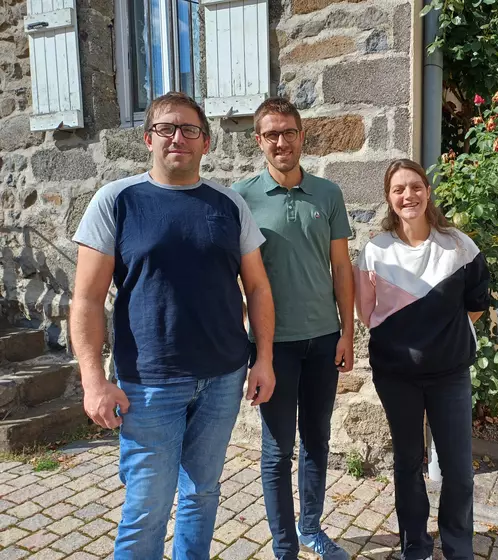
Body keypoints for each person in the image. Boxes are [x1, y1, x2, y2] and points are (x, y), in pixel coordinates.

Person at [70, 91, 276, 559]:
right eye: (166, 128)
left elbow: (259, 288)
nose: (177, 137)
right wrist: (93, 380)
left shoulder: (228, 205)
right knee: (147, 507)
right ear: (148, 139)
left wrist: (263, 359)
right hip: (148, 385)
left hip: (224, 377)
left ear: (206, 143)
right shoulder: (117, 201)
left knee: (202, 493)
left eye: (189, 130)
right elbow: (85, 298)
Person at [232, 97, 355, 560]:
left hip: (323, 339)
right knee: (276, 450)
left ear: (302, 137)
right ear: (259, 141)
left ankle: (311, 529)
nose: (281, 142)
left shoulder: (328, 194)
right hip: (271, 346)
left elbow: (341, 268)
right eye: (272, 134)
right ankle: (284, 547)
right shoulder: (241, 197)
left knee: (318, 441)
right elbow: (231, 276)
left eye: (289, 132)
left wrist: (347, 332)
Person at [354, 159, 490, 560]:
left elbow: (476, 306)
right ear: (389, 198)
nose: (408, 195)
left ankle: (457, 546)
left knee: (459, 470)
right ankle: (415, 546)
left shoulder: (458, 246)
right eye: (399, 189)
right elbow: (367, 311)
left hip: (450, 374)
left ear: (427, 191)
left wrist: (438, 336)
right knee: (408, 464)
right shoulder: (376, 250)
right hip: (396, 376)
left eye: (415, 186)